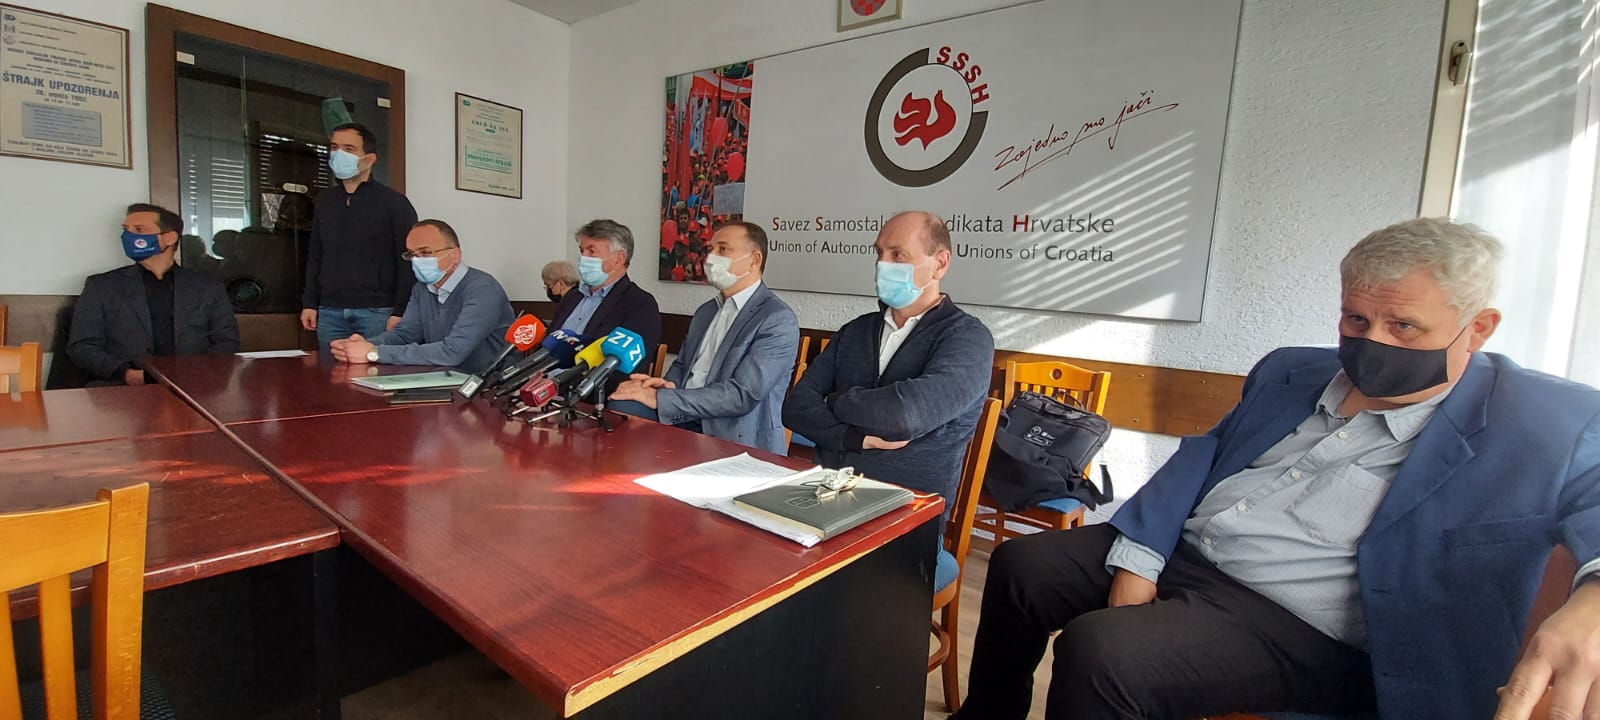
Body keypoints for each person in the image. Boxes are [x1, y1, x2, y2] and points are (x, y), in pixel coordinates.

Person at [953, 218, 1600, 720]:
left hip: (1299, 623)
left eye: (1404, 326)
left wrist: (1594, 599)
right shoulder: (1293, 369)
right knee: (1021, 567)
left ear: (1477, 328)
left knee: (1102, 653)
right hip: (1193, 552)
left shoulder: (1543, 419)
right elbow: (1202, 455)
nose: (1373, 341)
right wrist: (1141, 556)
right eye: (1356, 318)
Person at [782, 211, 994, 503]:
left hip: (907, 508)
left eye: (898, 255)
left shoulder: (967, 338)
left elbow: (905, 416)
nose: (883, 264)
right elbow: (796, 407)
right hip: (824, 493)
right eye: (879, 253)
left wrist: (833, 400)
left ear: (940, 264)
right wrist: (854, 438)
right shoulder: (855, 331)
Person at [610, 222, 800, 454]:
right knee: (624, 402)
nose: (710, 257)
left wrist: (662, 399)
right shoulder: (706, 311)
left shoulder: (776, 319)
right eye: (710, 249)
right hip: (684, 415)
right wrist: (668, 386)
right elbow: (682, 365)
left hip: (732, 431)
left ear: (754, 260)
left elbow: (742, 396)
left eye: (723, 249)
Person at [68, 204, 240, 387]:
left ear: (170, 238)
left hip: (193, 387)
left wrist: (194, 373)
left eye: (139, 230)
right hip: (121, 391)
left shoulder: (207, 287)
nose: (128, 236)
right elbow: (82, 346)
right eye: (126, 230)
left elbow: (227, 341)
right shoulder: (102, 286)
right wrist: (125, 373)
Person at [330, 219, 513, 371]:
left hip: (489, 387)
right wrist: (361, 345)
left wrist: (375, 353)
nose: (417, 261)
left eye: (425, 253)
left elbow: (452, 352)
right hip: (444, 378)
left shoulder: (482, 288)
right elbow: (404, 335)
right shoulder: (422, 288)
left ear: (455, 255)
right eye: (412, 254)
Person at [300, 122, 418, 349]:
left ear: (369, 159)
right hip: (329, 311)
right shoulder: (324, 202)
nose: (338, 154)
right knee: (330, 370)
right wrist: (310, 303)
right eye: (334, 147)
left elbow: (409, 261)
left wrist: (401, 311)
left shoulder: (394, 203)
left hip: (378, 311)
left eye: (349, 149)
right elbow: (315, 255)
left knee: (378, 369)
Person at [550, 219, 662, 380]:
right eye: (582, 251)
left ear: (618, 259)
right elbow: (547, 346)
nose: (583, 258)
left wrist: (560, 386)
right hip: (540, 385)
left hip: (584, 390)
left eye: (591, 251)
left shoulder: (640, 305)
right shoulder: (572, 297)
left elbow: (621, 372)